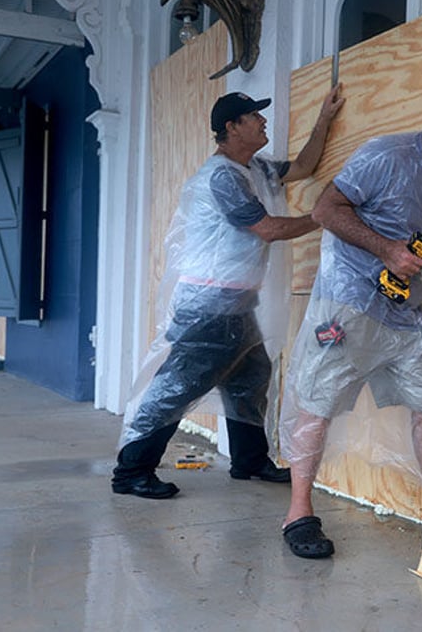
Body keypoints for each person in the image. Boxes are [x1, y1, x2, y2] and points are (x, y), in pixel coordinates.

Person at [279, 95, 422, 558]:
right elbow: (325, 211)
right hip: (348, 302)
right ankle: (298, 514)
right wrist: (386, 249)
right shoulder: (385, 157)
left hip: (405, 313)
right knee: (316, 403)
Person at [111, 86, 345, 500]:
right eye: (254, 116)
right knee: (178, 385)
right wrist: (323, 218)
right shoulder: (221, 178)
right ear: (232, 127)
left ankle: (250, 460)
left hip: (235, 304)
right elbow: (269, 229)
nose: (262, 121)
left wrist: (325, 118)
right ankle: (131, 470)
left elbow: (305, 166)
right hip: (209, 305)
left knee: (251, 377)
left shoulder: (254, 169)